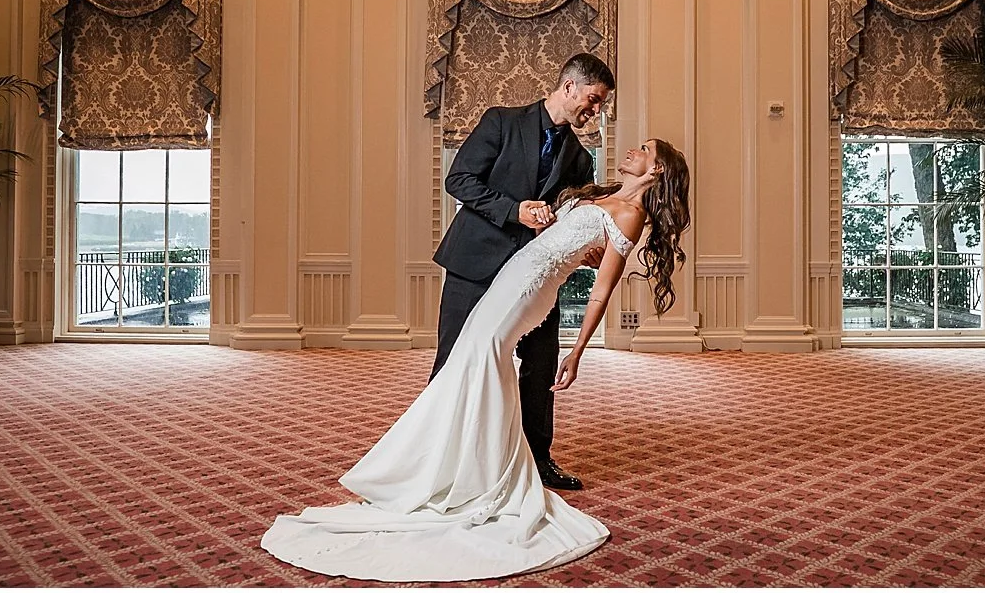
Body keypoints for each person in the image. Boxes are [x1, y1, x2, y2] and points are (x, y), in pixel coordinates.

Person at [260, 139, 692, 583]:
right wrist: (559, 231)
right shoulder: (603, 196)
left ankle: (470, 472)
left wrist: (576, 351)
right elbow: (562, 240)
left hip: (530, 290)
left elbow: (602, 290)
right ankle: (464, 462)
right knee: (475, 361)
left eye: (643, 150)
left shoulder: (630, 214)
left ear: (657, 171)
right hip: (514, 274)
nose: (632, 152)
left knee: (482, 357)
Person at [432, 51, 614, 493]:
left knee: (539, 364)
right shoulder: (501, 121)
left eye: (601, 105)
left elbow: (570, 212)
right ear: (569, 86)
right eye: (592, 100)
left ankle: (538, 460)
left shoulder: (579, 156)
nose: (595, 111)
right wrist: (515, 210)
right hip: (474, 264)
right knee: (453, 360)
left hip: (534, 277)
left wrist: (582, 248)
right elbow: (459, 179)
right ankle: (438, 457)